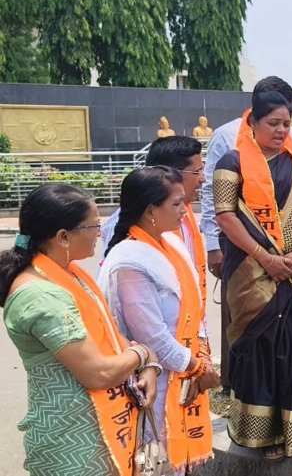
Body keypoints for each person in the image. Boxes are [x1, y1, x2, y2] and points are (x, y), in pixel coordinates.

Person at [0, 183, 159, 476]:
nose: (100, 232)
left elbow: (109, 335)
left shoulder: (68, 274)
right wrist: (144, 353)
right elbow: (98, 373)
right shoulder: (41, 296)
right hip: (73, 446)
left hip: (98, 433)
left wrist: (148, 364)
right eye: (94, 225)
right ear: (63, 236)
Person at [213, 91, 292, 460]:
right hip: (250, 273)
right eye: (273, 123)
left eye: (286, 123)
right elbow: (225, 216)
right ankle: (263, 435)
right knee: (260, 346)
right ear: (252, 122)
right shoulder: (231, 162)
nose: (282, 130)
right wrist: (265, 258)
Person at [100, 167, 217, 473]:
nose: (185, 210)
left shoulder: (170, 244)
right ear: (151, 210)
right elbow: (153, 339)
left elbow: (195, 311)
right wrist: (198, 367)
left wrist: (201, 358)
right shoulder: (130, 263)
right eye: (176, 204)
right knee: (157, 460)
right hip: (155, 383)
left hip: (184, 373)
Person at [199, 75, 292, 390]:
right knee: (243, 316)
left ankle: (282, 390)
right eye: (274, 118)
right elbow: (212, 196)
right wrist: (213, 244)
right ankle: (237, 385)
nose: (282, 127)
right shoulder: (227, 136)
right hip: (241, 248)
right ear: (255, 112)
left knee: (284, 323)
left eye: (287, 116)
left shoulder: (290, 140)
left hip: (285, 248)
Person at [101, 136, 208, 306]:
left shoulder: (184, 211)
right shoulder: (130, 223)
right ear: (170, 173)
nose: (203, 179)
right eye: (197, 172)